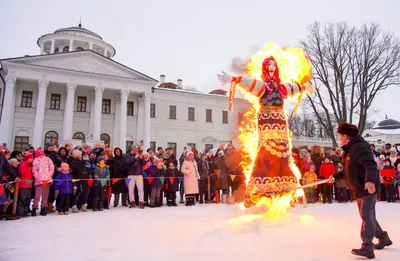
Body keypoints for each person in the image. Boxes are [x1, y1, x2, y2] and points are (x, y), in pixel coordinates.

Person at [217, 57, 313, 207]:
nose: (272, 67)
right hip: (266, 120)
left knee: (283, 152)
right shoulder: (263, 87)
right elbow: (249, 83)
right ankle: (260, 187)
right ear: (264, 67)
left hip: (280, 121)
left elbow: (293, 88)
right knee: (266, 151)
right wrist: (232, 79)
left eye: (274, 65)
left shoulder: (281, 88)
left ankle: (284, 184)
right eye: (269, 64)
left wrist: (304, 87)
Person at [333, 122, 392, 259]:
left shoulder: (359, 148)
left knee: (366, 215)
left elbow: (370, 165)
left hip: (367, 188)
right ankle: (383, 237)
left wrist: (370, 181)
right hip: (358, 189)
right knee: (367, 216)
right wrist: (335, 176)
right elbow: (349, 171)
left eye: (340, 136)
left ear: (345, 136)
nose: (339, 138)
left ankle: (367, 247)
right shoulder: (349, 149)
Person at [32, 148, 54, 216]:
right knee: (37, 196)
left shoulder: (48, 159)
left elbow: (51, 168)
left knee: (45, 195)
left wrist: (49, 176)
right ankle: (34, 208)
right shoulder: (35, 160)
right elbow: (34, 170)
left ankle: (43, 208)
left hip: (47, 180)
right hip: (39, 181)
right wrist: (38, 177)